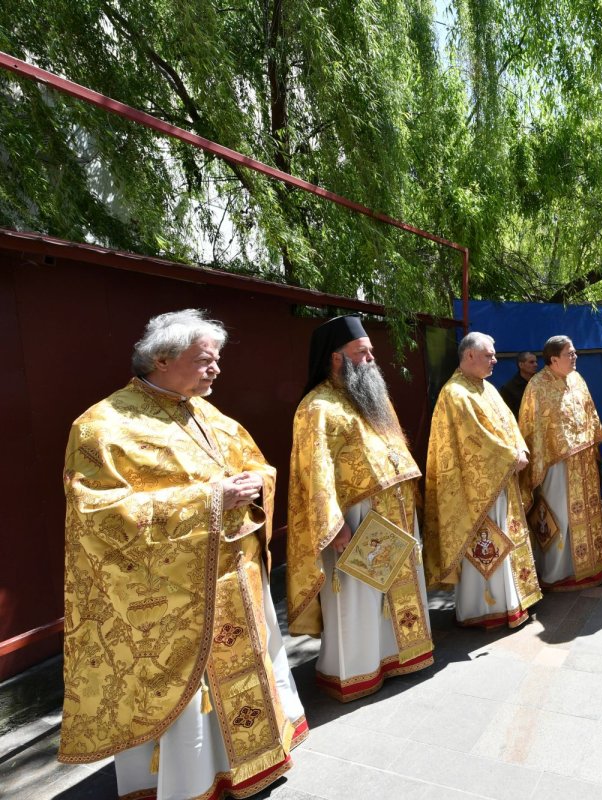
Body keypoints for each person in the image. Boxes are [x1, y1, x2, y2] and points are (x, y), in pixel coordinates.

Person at [61, 310, 306, 800]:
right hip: (166, 600)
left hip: (235, 580)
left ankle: (249, 765)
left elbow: (255, 464)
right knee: (187, 696)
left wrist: (259, 481)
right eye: (204, 360)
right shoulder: (102, 426)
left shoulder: (206, 413)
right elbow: (99, 514)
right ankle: (189, 783)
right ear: (162, 358)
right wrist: (210, 499)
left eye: (217, 360)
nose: (215, 370)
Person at [287, 315, 434, 702]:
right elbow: (312, 472)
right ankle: (357, 671)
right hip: (355, 518)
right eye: (362, 353)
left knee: (398, 589)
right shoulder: (316, 407)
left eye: (370, 352)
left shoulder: (373, 398)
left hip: (396, 512)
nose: (371, 359)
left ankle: (403, 656)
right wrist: (332, 524)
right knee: (360, 594)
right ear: (337, 358)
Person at [424, 332, 542, 628]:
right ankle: (481, 609)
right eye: (489, 355)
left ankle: (511, 600)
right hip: (474, 489)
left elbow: (509, 425)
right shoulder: (454, 393)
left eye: (494, 354)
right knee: (488, 542)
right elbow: (475, 438)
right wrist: (510, 456)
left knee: (506, 539)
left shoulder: (487, 388)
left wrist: (520, 448)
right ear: (470, 356)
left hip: (501, 480)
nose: (494, 359)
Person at [518, 335, 602, 591]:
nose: (575, 357)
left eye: (574, 352)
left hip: (584, 462)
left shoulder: (577, 379)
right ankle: (557, 572)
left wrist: (591, 448)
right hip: (555, 465)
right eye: (570, 354)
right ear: (553, 359)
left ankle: (588, 564)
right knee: (560, 515)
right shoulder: (537, 386)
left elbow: (590, 414)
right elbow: (530, 430)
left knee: (588, 513)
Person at [499, 350, 539, 417]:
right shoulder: (509, 389)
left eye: (536, 362)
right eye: (531, 362)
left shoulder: (540, 383)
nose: (536, 365)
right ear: (521, 365)